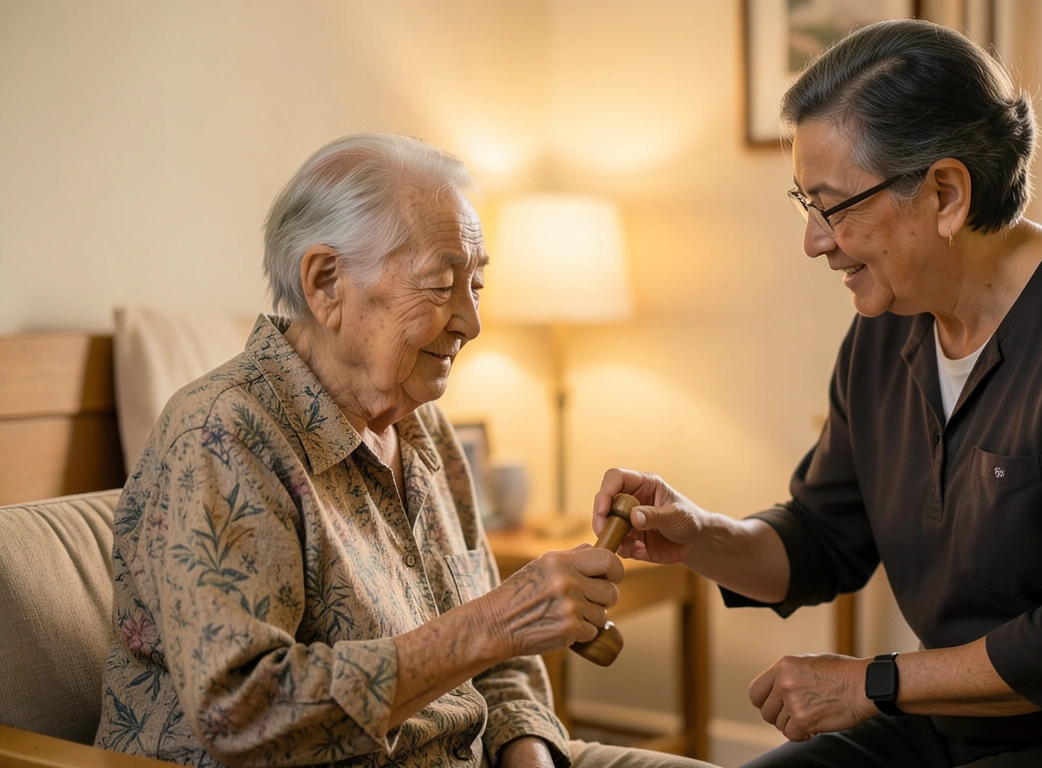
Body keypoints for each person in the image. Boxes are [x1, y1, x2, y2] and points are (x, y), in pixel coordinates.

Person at [593, 19, 1042, 768]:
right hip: (958, 726)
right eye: (803, 203)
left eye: (833, 205)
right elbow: (821, 540)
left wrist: (870, 683)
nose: (814, 240)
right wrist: (699, 536)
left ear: (945, 193)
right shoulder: (889, 326)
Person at [94, 133, 717, 768]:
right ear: (326, 283)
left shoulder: (427, 432)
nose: (471, 321)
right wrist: (494, 622)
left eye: (476, 284)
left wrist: (528, 754)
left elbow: (504, 669)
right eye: (441, 284)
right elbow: (244, 713)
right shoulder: (223, 434)